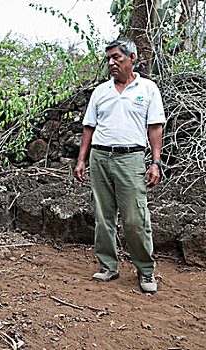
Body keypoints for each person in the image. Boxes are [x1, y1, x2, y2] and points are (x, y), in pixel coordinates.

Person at [74, 38, 165, 294]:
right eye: (109, 59)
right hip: (100, 157)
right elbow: (89, 127)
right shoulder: (101, 92)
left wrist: (155, 162)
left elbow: (155, 128)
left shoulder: (147, 89)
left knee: (136, 218)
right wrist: (81, 160)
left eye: (117, 58)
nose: (112, 63)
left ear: (132, 57)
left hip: (131, 158)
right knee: (103, 217)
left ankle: (145, 270)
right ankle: (108, 266)